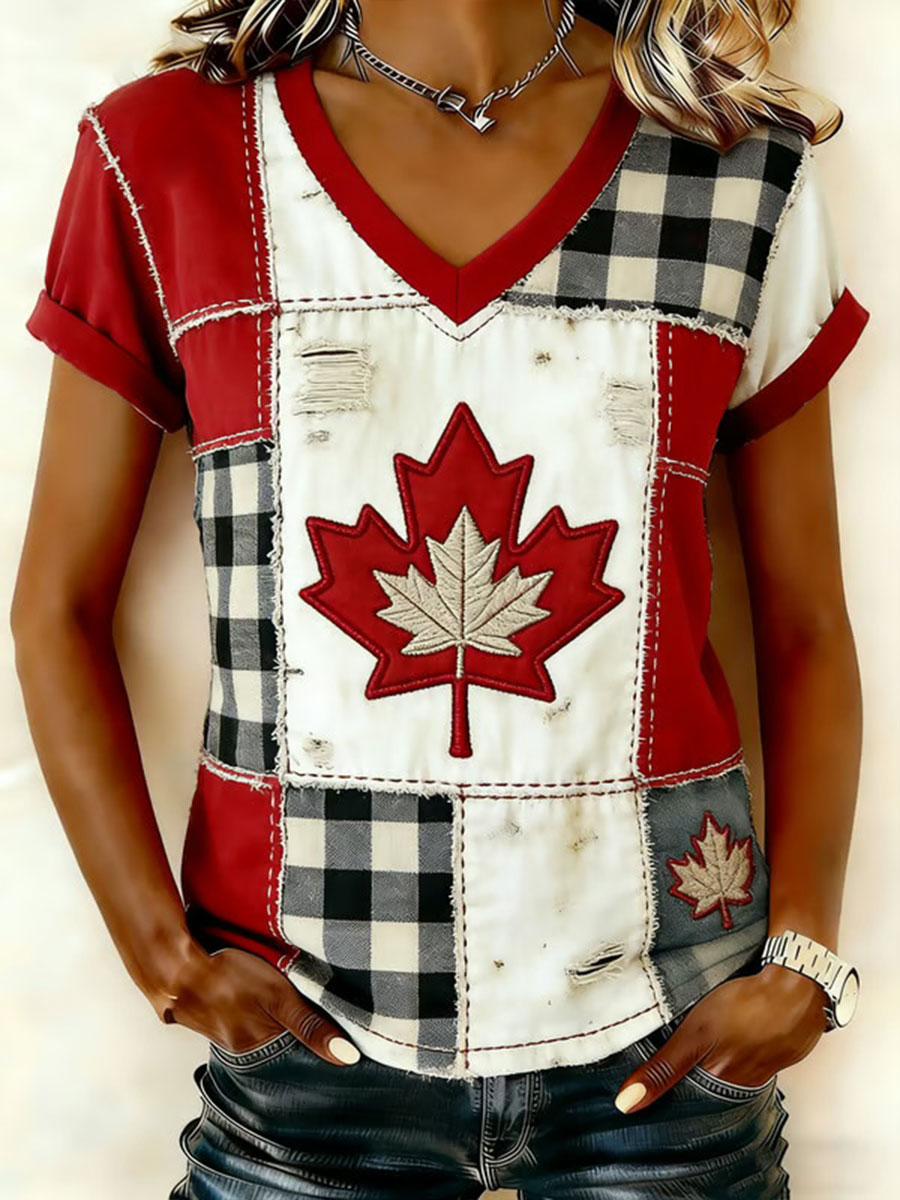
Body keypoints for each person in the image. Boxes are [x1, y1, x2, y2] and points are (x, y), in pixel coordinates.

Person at [13, 1, 870, 1197]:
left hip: (670, 1025)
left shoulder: (734, 169)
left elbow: (808, 620)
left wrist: (803, 965)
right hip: (304, 1032)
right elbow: (54, 604)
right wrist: (162, 955)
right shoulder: (168, 155)